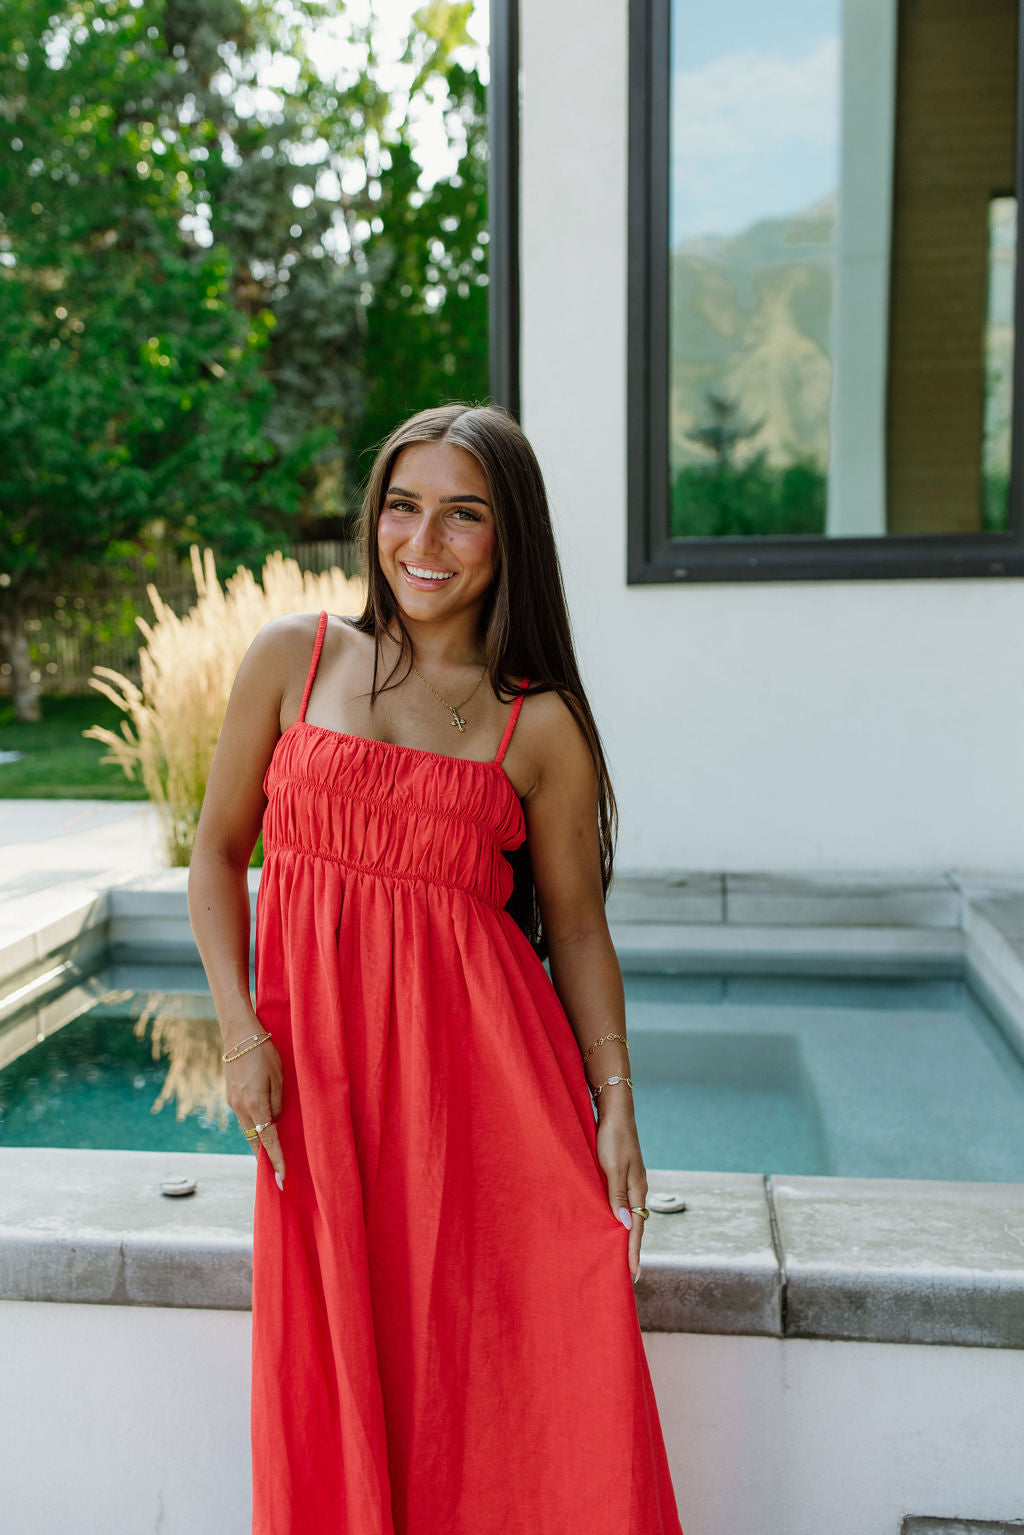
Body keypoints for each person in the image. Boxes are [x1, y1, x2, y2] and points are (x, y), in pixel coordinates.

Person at [187, 403, 685, 1534]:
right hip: (321, 1088)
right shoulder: (293, 658)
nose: (424, 540)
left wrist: (614, 1102)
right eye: (403, 507)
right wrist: (239, 1031)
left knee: (528, 1370)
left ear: (510, 538)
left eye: (464, 515)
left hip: (490, 1099)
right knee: (341, 1369)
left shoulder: (538, 723)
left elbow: (579, 933)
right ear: (372, 521)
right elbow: (216, 853)